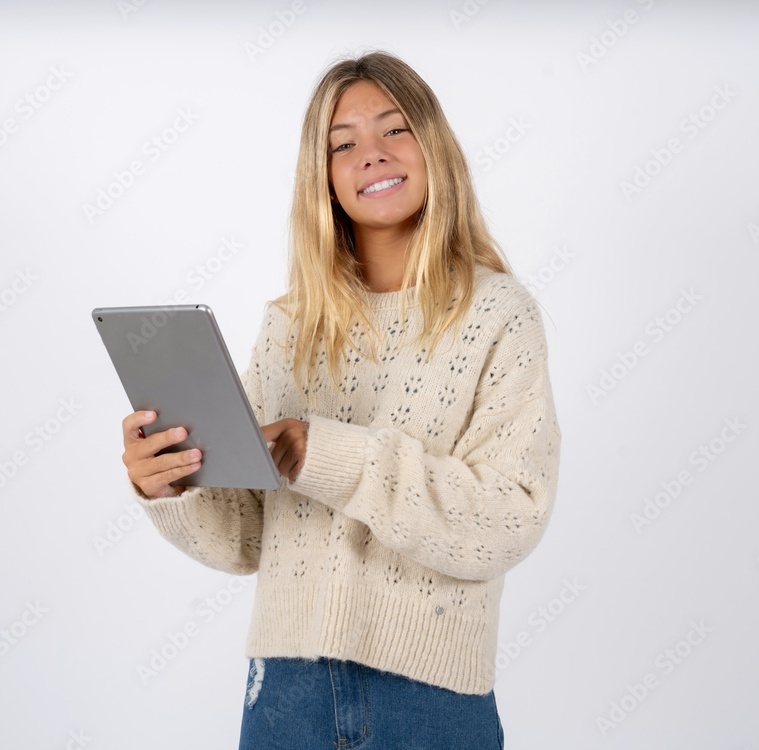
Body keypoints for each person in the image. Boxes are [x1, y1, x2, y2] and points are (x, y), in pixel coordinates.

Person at [120, 50, 561, 749]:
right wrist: (171, 485)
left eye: (394, 129)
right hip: (285, 695)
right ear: (321, 176)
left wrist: (320, 452)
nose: (371, 155)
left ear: (433, 145)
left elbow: (509, 520)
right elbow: (241, 539)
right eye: (343, 143)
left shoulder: (499, 314)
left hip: (430, 699)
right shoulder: (290, 324)